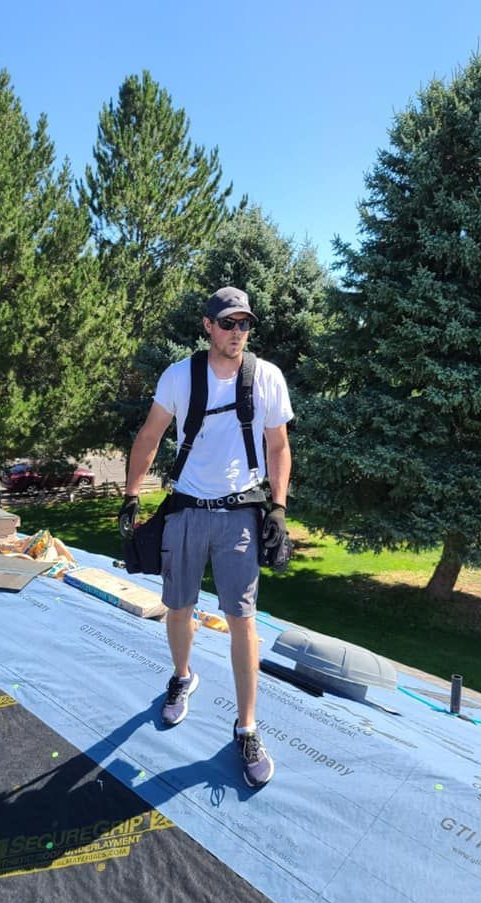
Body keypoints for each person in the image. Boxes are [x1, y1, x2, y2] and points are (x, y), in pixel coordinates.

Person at [118, 287, 293, 787]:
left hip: (240, 515)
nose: (237, 333)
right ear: (208, 326)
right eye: (228, 323)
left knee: (242, 620)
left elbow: (279, 447)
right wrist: (131, 495)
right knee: (178, 607)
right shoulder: (179, 376)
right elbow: (150, 435)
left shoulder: (266, 378)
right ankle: (182, 677)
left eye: (244, 324)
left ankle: (247, 727)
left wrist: (278, 507)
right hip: (187, 510)